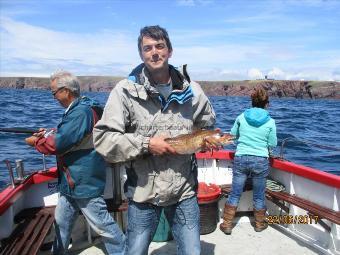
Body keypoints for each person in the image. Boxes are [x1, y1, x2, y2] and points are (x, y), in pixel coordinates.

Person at [93, 25, 216, 255]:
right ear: (141, 54)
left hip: (184, 191)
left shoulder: (194, 91)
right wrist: (147, 144)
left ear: (170, 51)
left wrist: (204, 140)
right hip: (143, 194)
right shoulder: (125, 91)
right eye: (147, 48)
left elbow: (206, 124)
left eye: (160, 46)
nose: (154, 52)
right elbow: (103, 139)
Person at [25, 71, 126, 255]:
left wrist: (36, 142)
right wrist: (49, 132)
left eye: (54, 92)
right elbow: (71, 134)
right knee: (61, 223)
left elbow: (60, 143)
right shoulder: (83, 107)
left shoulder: (80, 112)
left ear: (66, 91)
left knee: (103, 225)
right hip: (71, 181)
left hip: (82, 181)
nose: (53, 96)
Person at [220, 87, 277, 235]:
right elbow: (272, 143)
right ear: (267, 104)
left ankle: (226, 224)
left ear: (252, 102)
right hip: (260, 160)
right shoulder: (270, 121)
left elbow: (233, 135)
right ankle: (259, 224)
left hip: (241, 158)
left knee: (235, 193)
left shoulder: (241, 117)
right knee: (259, 194)